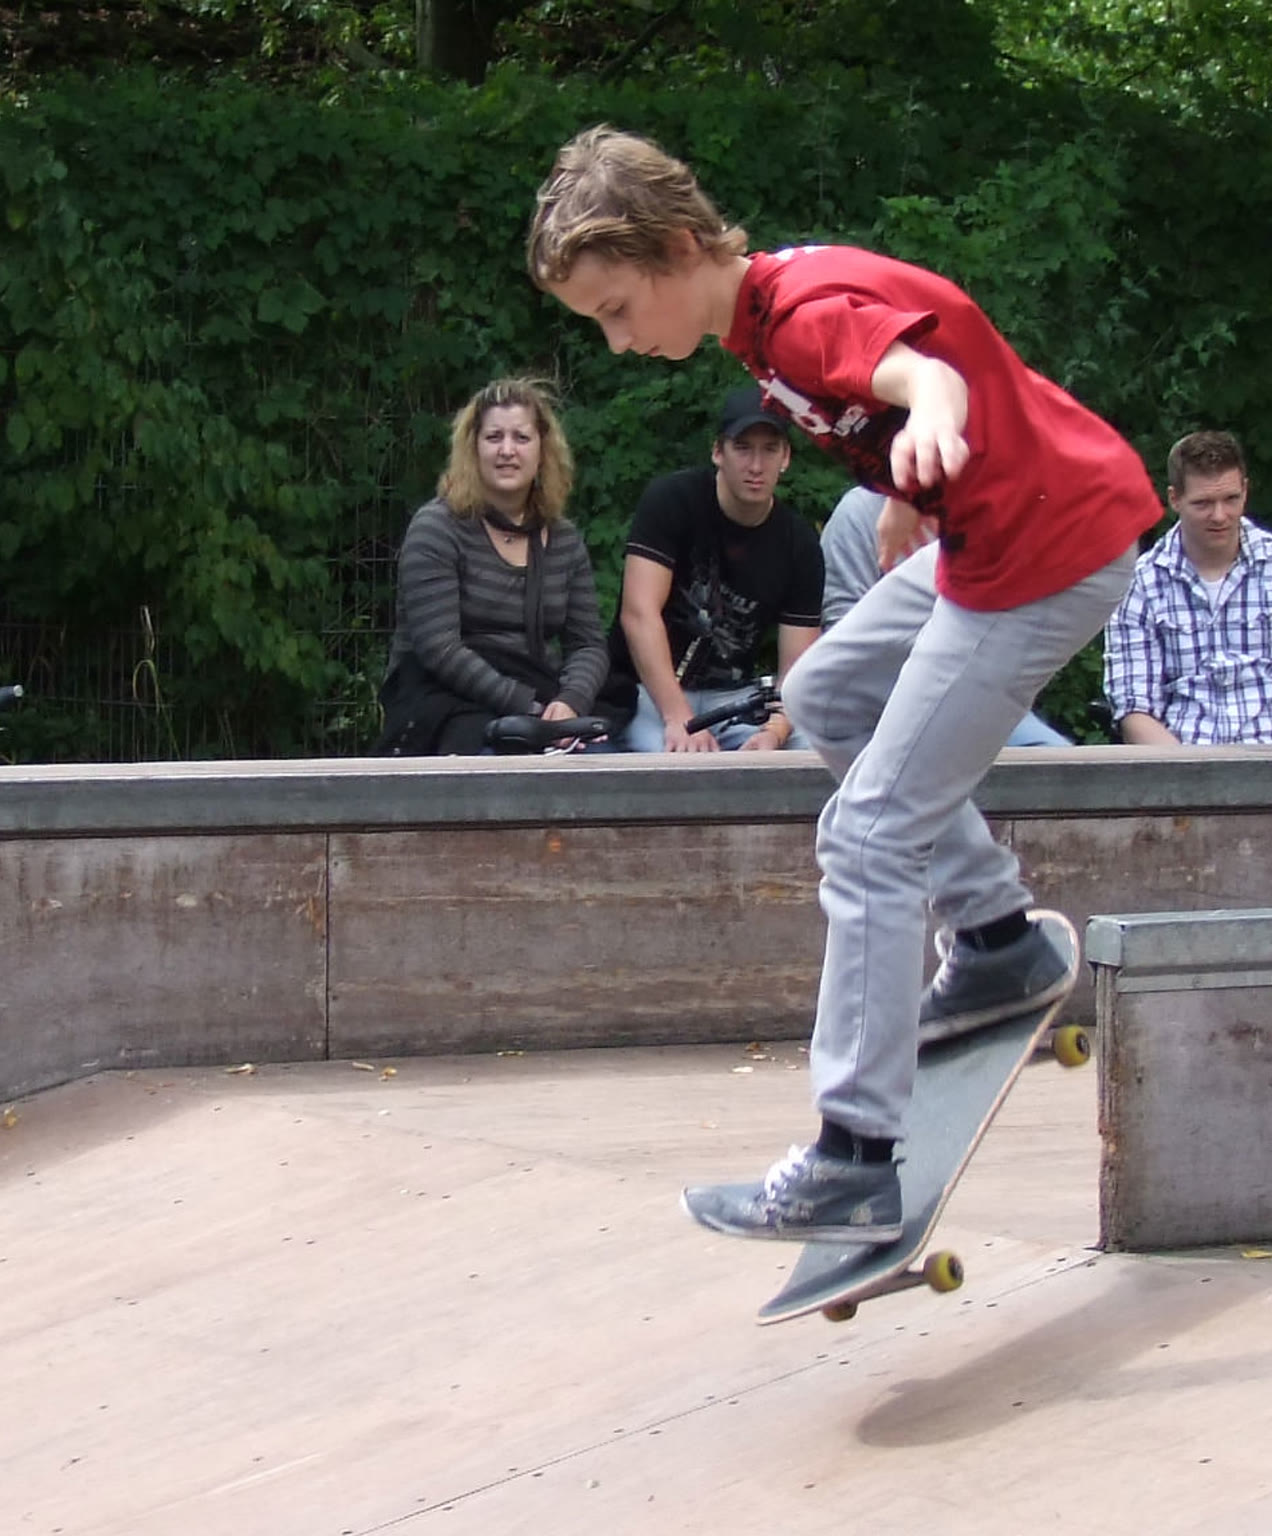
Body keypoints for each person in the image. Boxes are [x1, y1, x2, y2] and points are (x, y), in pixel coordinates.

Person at [527, 125, 1161, 1242]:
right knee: (821, 695)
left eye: (616, 309)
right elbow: (924, 347)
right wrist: (909, 484)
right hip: (994, 534)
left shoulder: (800, 316)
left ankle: (852, 1157)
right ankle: (996, 939)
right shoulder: (761, 314)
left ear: (676, 247)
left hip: (1042, 552)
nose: (617, 341)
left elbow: (922, 371)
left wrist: (933, 419)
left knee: (868, 834)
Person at [375, 377, 608, 755]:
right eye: (494, 437)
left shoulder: (564, 539)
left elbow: (588, 644)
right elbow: (440, 649)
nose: (507, 450)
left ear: (543, 450)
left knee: (604, 761)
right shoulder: (436, 528)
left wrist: (569, 704)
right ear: (473, 448)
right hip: (446, 702)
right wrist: (530, 710)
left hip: (541, 696)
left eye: (521, 437)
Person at [610, 385, 823, 752]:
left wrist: (774, 732)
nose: (755, 466)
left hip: (737, 699)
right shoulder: (671, 501)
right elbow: (638, 614)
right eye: (742, 448)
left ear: (786, 457)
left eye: (769, 450)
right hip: (650, 692)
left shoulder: (800, 544)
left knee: (814, 749)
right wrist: (678, 716)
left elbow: (797, 668)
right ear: (717, 452)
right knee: (672, 761)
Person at [1104, 430, 1272, 745]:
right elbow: (1134, 707)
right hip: (1177, 760)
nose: (1219, 516)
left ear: (1245, 491)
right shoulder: (1140, 584)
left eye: (1231, 499)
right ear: (1174, 499)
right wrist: (1190, 773)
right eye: (1203, 503)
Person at [824, 487, 1071, 746]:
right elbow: (843, 635)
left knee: (1057, 758)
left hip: (981, 705)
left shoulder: (992, 509)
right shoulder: (861, 512)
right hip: (877, 709)